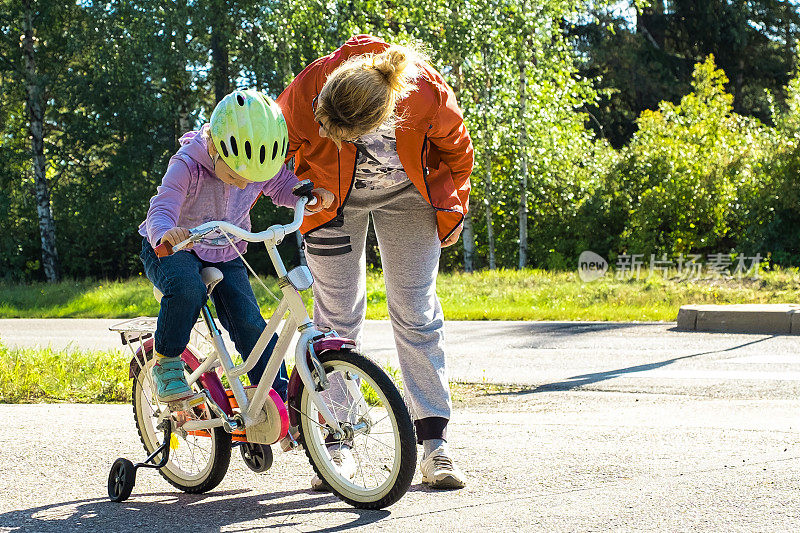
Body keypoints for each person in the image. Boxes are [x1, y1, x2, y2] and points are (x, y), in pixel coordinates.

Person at [277, 34, 473, 489]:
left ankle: (435, 445)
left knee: (416, 310)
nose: (322, 132)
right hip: (330, 202)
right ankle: (336, 439)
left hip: (409, 197)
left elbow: (458, 152)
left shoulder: (424, 94)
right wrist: (293, 192)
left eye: (335, 131)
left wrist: (452, 205)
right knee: (335, 318)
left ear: (378, 120)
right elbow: (274, 151)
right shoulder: (309, 88)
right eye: (322, 122)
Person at [138, 89, 332, 404]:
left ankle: (273, 399)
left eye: (251, 178)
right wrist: (166, 232)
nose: (243, 184)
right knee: (187, 290)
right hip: (175, 246)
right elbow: (163, 205)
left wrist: (305, 198)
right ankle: (168, 361)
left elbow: (280, 184)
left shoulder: (254, 163)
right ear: (215, 148)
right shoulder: (187, 164)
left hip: (225, 249)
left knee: (250, 322)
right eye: (234, 175)